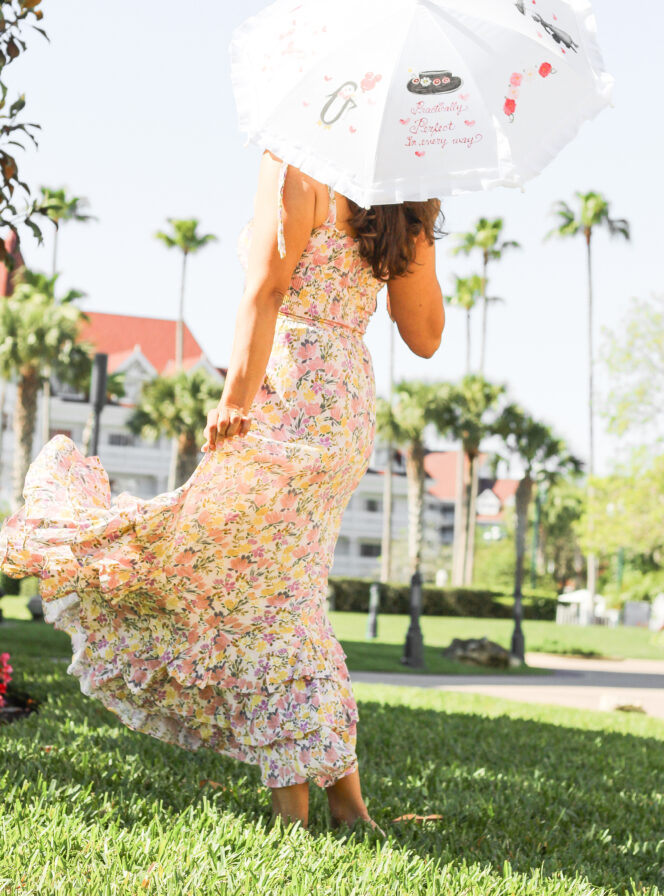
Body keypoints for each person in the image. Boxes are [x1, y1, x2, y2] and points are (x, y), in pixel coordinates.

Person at [0, 149, 445, 831]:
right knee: (286, 593)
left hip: (284, 393)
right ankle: (340, 801)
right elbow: (424, 336)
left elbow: (266, 289)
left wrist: (234, 399)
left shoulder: (298, 160)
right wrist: (418, 230)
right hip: (345, 407)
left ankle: (300, 808)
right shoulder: (402, 191)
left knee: (238, 584)